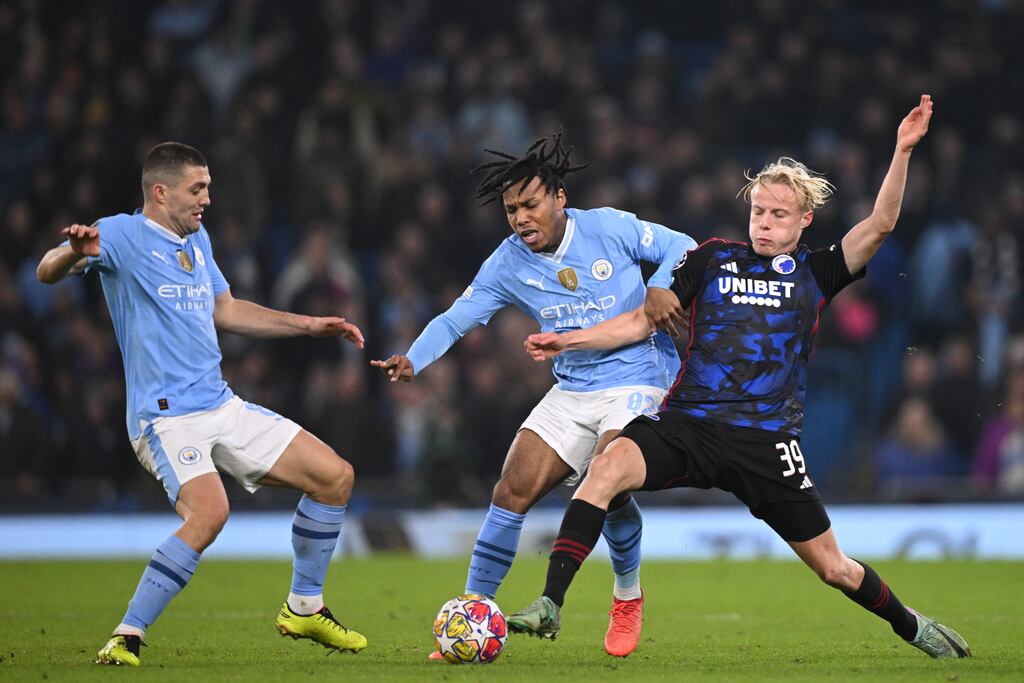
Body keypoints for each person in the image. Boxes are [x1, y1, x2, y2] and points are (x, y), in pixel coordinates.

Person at [511, 96, 971, 659]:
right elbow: (639, 321)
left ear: (804, 220)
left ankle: (912, 626)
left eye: (779, 215)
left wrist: (900, 151)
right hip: (691, 426)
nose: (765, 223)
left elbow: (880, 225)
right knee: (604, 468)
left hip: (766, 442)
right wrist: (569, 338)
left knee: (833, 568)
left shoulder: (816, 271)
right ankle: (550, 604)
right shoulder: (711, 259)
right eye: (758, 212)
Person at [35, 142, 369, 666]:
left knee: (335, 477)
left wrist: (308, 325)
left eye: (208, 187)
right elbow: (46, 272)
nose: (208, 199)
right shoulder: (121, 234)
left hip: (219, 405)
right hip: (165, 418)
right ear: (160, 192)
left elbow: (227, 310)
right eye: (198, 189)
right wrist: (72, 252)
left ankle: (305, 606)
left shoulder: (197, 239)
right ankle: (127, 635)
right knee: (211, 512)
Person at [371, 132, 696, 657]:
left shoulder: (609, 227)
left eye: (529, 204)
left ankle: (628, 596)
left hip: (640, 375)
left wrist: (661, 286)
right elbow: (458, 318)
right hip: (574, 387)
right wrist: (414, 357)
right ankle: (471, 615)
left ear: (559, 199)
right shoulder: (506, 263)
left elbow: (682, 245)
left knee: (607, 475)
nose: (520, 218)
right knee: (511, 489)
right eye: (510, 210)